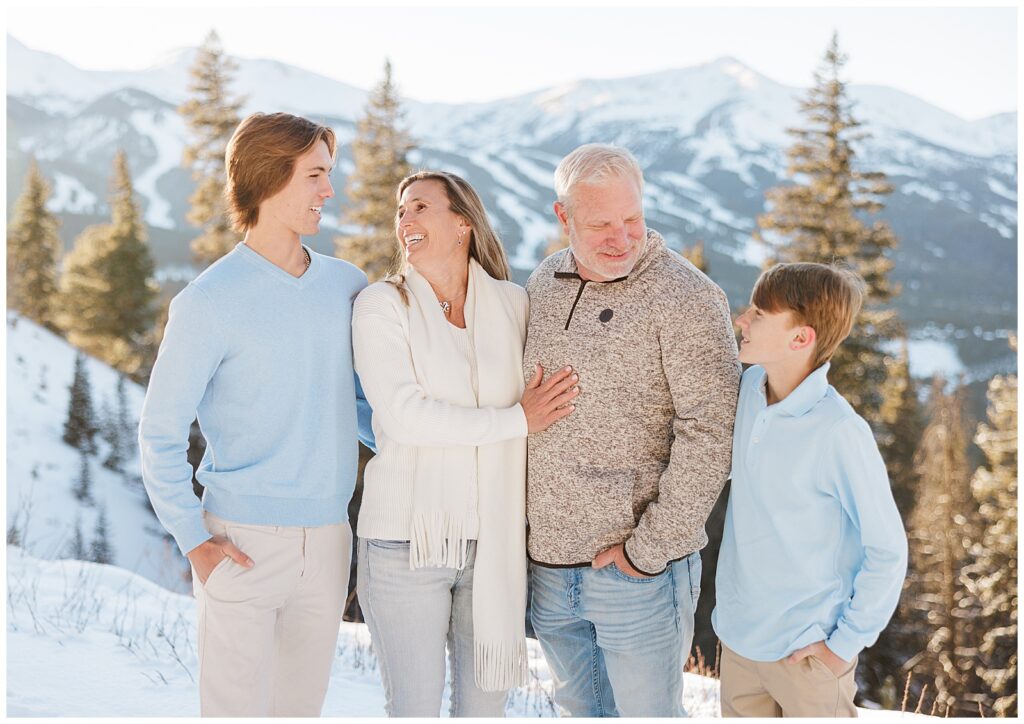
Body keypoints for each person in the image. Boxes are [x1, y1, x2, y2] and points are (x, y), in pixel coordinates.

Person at [138, 112, 374, 717]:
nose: (330, 190)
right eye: (316, 175)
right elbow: (160, 431)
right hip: (237, 543)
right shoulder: (209, 302)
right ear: (270, 178)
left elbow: (368, 406)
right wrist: (195, 543)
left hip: (328, 541)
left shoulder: (347, 286)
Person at [351, 170, 579, 717]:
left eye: (420, 207)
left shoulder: (513, 304)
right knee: (415, 709)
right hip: (406, 542)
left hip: (492, 546)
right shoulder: (383, 306)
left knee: (484, 712)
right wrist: (515, 421)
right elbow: (406, 417)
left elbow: (547, 401)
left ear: (462, 224)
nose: (405, 219)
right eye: (401, 210)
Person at [524, 143, 741, 717]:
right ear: (563, 216)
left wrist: (647, 552)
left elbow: (712, 434)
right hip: (550, 568)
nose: (622, 237)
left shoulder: (687, 297)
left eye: (633, 220)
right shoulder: (545, 282)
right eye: (601, 224)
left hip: (637, 576)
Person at [712, 262, 908, 717]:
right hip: (740, 644)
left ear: (800, 339)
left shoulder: (839, 432)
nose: (742, 319)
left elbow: (888, 549)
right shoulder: (748, 391)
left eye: (759, 314)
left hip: (806, 656)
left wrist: (845, 645)